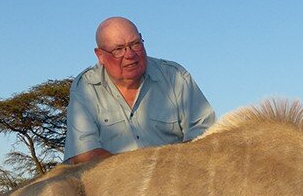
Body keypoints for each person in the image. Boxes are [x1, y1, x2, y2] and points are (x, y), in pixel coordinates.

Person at [64, 17, 216, 164]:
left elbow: (206, 135)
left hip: (175, 179)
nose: (130, 54)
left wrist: (164, 171)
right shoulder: (85, 87)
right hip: (113, 185)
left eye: (135, 44)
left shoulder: (174, 76)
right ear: (100, 55)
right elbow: (84, 154)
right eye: (118, 49)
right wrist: (141, 175)